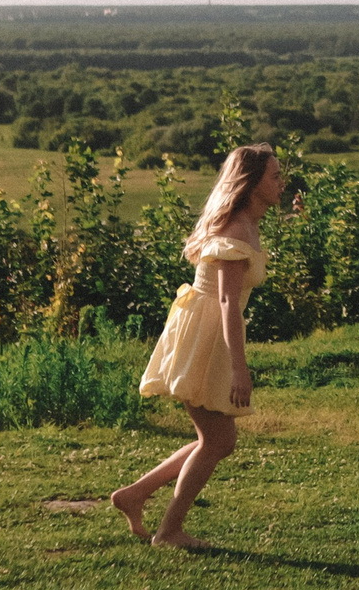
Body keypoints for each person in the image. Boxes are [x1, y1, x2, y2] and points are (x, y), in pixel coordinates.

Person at [112, 143, 288, 548]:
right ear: (251, 183)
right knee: (218, 441)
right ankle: (169, 531)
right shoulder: (238, 229)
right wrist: (240, 369)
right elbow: (227, 301)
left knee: (214, 438)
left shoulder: (244, 220)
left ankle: (135, 495)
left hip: (204, 329)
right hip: (207, 335)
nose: (282, 183)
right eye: (275, 176)